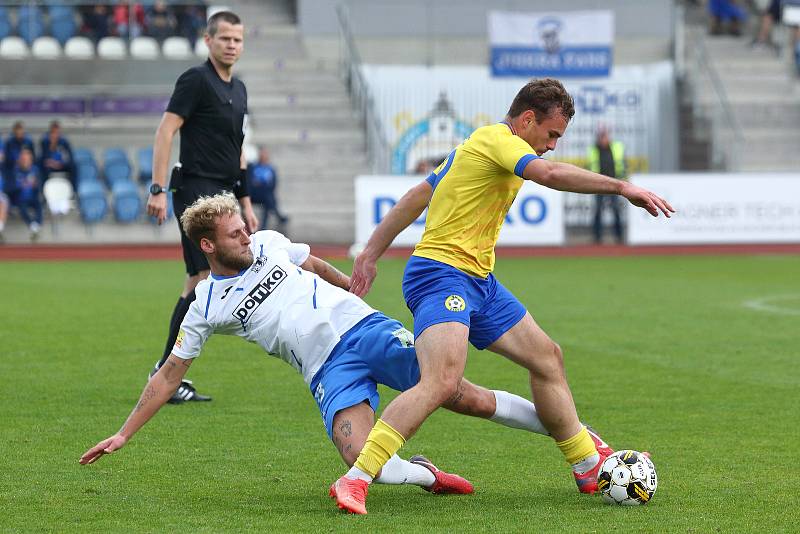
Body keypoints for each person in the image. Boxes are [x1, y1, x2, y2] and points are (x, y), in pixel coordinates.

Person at [79, 193, 605, 504]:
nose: (247, 236)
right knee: (361, 456)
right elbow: (170, 373)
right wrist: (124, 433)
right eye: (235, 235)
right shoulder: (205, 304)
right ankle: (426, 473)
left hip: (363, 331)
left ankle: (578, 438)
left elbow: (311, 266)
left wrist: (349, 287)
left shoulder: (270, 243)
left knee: (456, 393)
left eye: (246, 228)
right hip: (325, 370)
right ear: (208, 246)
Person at [334, 78, 674, 514]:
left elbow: (419, 195)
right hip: (440, 275)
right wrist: (622, 186)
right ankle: (356, 478)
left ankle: (587, 464)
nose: (551, 146)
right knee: (441, 380)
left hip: (479, 280)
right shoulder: (498, 139)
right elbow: (547, 175)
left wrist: (369, 253)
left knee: (547, 357)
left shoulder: (477, 147)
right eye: (551, 134)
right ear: (527, 119)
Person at [146, 10, 259, 404]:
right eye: (225, 38)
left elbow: (238, 149)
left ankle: (166, 375)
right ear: (208, 41)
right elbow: (166, 129)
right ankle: (165, 376)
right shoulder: (196, 80)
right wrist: (157, 188)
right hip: (194, 189)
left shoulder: (239, 89)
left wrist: (245, 200)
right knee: (199, 282)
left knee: (199, 283)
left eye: (238, 39)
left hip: (225, 194)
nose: (232, 45)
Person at [586, 127, 626, 244]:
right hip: (598, 184)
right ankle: (597, 238)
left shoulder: (616, 147)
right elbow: (590, 166)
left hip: (614, 183)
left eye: (605, 136)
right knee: (598, 211)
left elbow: (623, 164)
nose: (604, 139)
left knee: (616, 210)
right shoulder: (594, 150)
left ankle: (619, 237)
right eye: (602, 137)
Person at [247, 146, 289, 232]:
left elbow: (273, 184)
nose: (263, 156)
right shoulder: (253, 167)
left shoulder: (271, 169)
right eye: (262, 154)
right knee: (270, 199)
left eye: (265, 154)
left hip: (265, 194)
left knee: (268, 199)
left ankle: (264, 227)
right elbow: (249, 182)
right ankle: (279, 216)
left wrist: (261, 185)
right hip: (253, 194)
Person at [7, 148, 43, 241]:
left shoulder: (35, 170)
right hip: (20, 199)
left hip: (33, 197)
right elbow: (10, 188)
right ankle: (34, 227)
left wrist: (36, 185)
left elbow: (39, 185)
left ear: (30, 159)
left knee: (39, 205)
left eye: (27, 159)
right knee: (22, 208)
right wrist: (20, 186)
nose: (25, 161)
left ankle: (35, 226)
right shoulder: (15, 171)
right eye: (23, 158)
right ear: (20, 159)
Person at [39, 121, 76, 188]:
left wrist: (60, 164)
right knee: (42, 167)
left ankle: (73, 189)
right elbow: (44, 158)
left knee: (73, 166)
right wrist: (51, 146)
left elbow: (69, 158)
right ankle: (44, 189)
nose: (55, 135)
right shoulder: (45, 142)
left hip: (62, 166)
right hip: (50, 167)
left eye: (57, 133)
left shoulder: (64, 142)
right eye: (53, 133)